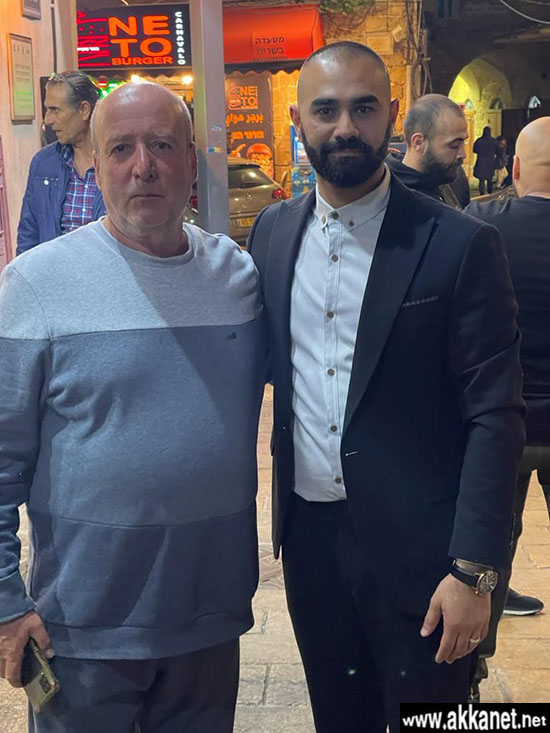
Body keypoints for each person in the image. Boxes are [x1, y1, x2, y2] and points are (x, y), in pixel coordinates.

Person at [247, 41, 524, 732]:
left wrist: (475, 570)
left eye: (363, 108)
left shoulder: (457, 243)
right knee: (338, 718)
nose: (345, 127)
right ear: (298, 121)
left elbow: (495, 414)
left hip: (425, 556)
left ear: (393, 117)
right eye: (326, 110)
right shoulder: (272, 234)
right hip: (312, 548)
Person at [0, 82, 266, 732]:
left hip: (208, 623)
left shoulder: (236, 278)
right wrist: (5, 602)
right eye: (121, 149)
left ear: (192, 162)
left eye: (162, 146)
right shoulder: (36, 284)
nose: (143, 166)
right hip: (79, 631)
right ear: (96, 164)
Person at [465, 116, 550, 699]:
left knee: (486, 552)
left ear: (514, 168)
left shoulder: (482, 227)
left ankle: (469, 676)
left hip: (504, 422)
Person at [16, 71, 106, 256]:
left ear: (84, 110)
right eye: (47, 110)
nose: (47, 120)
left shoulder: (118, 162)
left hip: (105, 271)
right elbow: (28, 234)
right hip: (53, 271)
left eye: (55, 110)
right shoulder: (43, 164)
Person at [387, 93, 468, 208]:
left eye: (463, 142)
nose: (462, 154)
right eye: (454, 145)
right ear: (419, 143)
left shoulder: (453, 176)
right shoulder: (389, 195)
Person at [473, 126, 498, 195]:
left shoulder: (479, 141)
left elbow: (474, 150)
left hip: (481, 161)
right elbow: (497, 150)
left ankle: (482, 193)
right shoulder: (493, 141)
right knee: (490, 178)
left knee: (481, 179)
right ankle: (490, 192)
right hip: (490, 162)